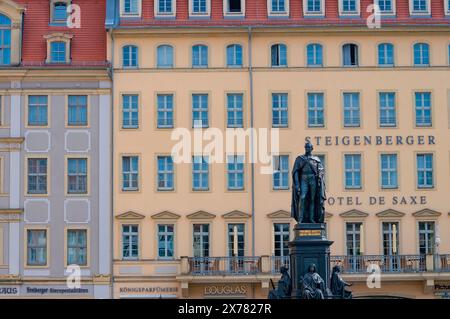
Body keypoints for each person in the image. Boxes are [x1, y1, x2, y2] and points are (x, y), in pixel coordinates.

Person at [291, 142, 326, 224]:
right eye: (306, 147)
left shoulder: (316, 159)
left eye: (309, 147)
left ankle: (311, 218)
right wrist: (297, 184)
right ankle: (301, 218)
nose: (307, 149)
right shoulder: (300, 158)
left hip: (313, 179)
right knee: (302, 198)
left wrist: (320, 174)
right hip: (304, 178)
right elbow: (295, 171)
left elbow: (321, 170)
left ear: (312, 148)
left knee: (312, 199)